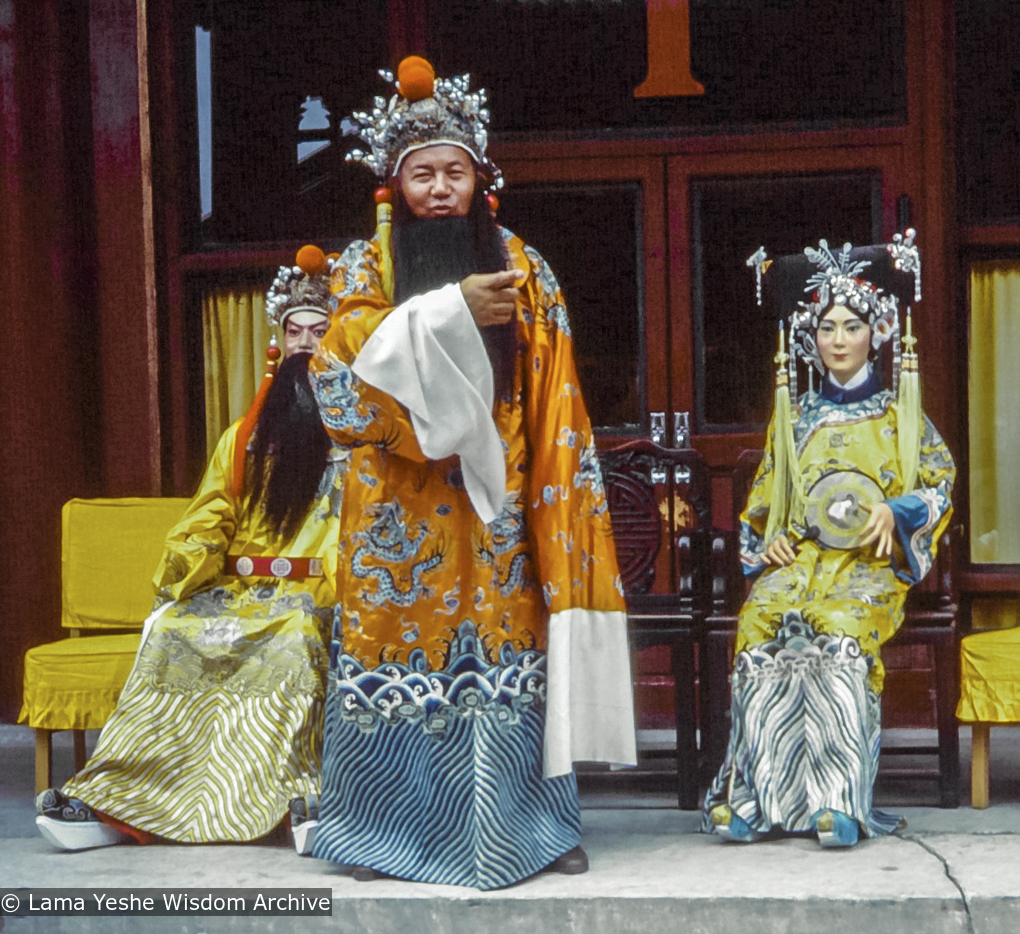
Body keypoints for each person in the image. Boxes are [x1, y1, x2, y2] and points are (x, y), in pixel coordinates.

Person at [307, 56, 636, 889]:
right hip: (397, 511)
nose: (440, 190)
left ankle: (535, 831)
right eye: (423, 175)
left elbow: (555, 392)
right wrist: (453, 311)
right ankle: (379, 834)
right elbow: (342, 376)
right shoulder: (363, 269)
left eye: (455, 172)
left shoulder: (523, 265)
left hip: (501, 502)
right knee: (395, 661)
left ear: (480, 181)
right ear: (395, 186)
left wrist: (556, 496)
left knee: (507, 661)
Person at [36, 247, 345, 854]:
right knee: (175, 631)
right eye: (295, 332)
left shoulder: (359, 441)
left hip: (315, 594)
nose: (306, 344)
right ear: (278, 342)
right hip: (237, 590)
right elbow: (209, 516)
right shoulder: (242, 440)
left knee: (292, 639)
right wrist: (180, 572)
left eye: (319, 331)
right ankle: (121, 799)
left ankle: (298, 800)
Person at [704, 231, 955, 847]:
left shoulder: (900, 413)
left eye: (852, 326)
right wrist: (769, 541)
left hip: (869, 565)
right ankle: (752, 799)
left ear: (878, 333)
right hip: (804, 559)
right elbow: (767, 499)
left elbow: (940, 484)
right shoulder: (797, 417)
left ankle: (840, 803)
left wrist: (897, 511)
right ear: (809, 339)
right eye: (826, 328)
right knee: (761, 624)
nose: (839, 340)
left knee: (838, 632)